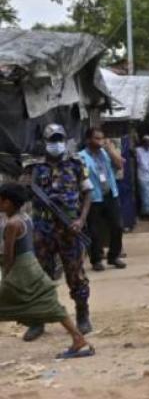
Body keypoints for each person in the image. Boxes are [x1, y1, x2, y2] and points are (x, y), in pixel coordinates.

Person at [0, 183, 95, 359]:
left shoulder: (12, 224)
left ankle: (78, 338)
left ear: (8, 203)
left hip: (21, 269)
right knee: (50, 304)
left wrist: (6, 276)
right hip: (32, 265)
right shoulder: (25, 218)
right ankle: (77, 338)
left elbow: (8, 255)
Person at [20, 124, 94, 342]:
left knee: (75, 274)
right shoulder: (33, 168)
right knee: (41, 276)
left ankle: (82, 315)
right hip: (43, 228)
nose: (56, 143)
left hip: (69, 227)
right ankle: (37, 321)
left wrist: (81, 219)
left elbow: (88, 192)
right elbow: (21, 194)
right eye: (53, 139)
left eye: (60, 138)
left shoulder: (75, 164)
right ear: (45, 142)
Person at [79, 127, 127, 271]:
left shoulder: (106, 153)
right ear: (88, 140)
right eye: (97, 139)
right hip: (93, 198)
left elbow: (119, 165)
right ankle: (97, 259)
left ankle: (114, 256)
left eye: (102, 138)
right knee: (94, 230)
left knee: (117, 226)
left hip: (110, 194)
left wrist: (110, 150)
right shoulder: (81, 157)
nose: (100, 142)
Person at [135, 135, 149, 218]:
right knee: (144, 194)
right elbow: (140, 162)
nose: (148, 143)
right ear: (143, 142)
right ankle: (145, 213)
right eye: (146, 142)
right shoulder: (138, 150)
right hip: (142, 175)